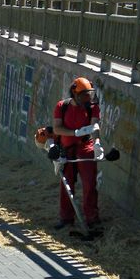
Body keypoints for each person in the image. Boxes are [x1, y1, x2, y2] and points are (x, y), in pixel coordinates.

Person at [51, 76, 102, 232]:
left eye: (89, 95)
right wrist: (74, 132)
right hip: (66, 150)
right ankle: (66, 218)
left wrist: (97, 143)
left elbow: (95, 126)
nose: (88, 98)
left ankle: (91, 219)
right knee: (66, 184)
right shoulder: (62, 106)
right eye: (84, 95)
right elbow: (57, 128)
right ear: (75, 94)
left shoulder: (92, 107)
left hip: (85, 148)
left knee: (89, 183)